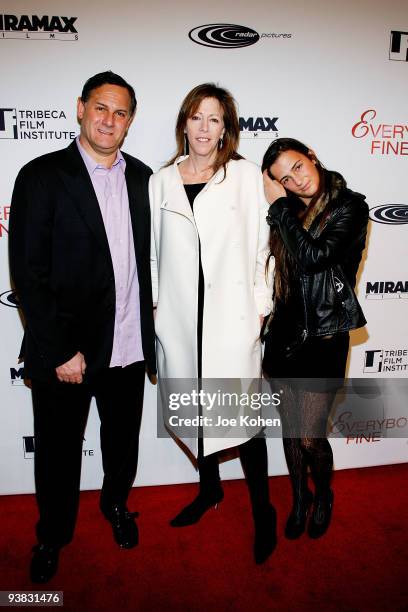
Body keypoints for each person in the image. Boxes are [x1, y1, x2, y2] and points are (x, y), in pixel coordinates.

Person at [9, 71, 156, 583]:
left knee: (122, 444)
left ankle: (116, 506)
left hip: (129, 345)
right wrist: (58, 350)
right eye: (101, 108)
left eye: (121, 113)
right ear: (80, 108)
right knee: (57, 451)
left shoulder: (144, 179)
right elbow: (28, 271)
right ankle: (51, 535)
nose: (109, 120)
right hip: (67, 353)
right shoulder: (42, 175)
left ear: (131, 121)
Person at [150, 83, 276, 564]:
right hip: (181, 320)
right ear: (184, 123)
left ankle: (262, 510)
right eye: (197, 118)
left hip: (232, 317)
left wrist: (261, 306)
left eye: (215, 119)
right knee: (195, 411)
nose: (205, 128)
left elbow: (268, 249)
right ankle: (209, 491)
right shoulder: (161, 181)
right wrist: (159, 309)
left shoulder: (245, 176)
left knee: (243, 422)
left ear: (227, 129)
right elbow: (156, 254)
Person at [261, 137, 368, 540]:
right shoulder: (286, 211)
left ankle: (322, 495)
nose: (296, 181)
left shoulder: (350, 207)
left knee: (310, 435)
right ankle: (298, 500)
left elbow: (314, 257)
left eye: (298, 168)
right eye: (284, 180)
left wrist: (277, 206)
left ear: (313, 158)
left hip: (322, 338)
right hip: (283, 336)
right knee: (291, 430)